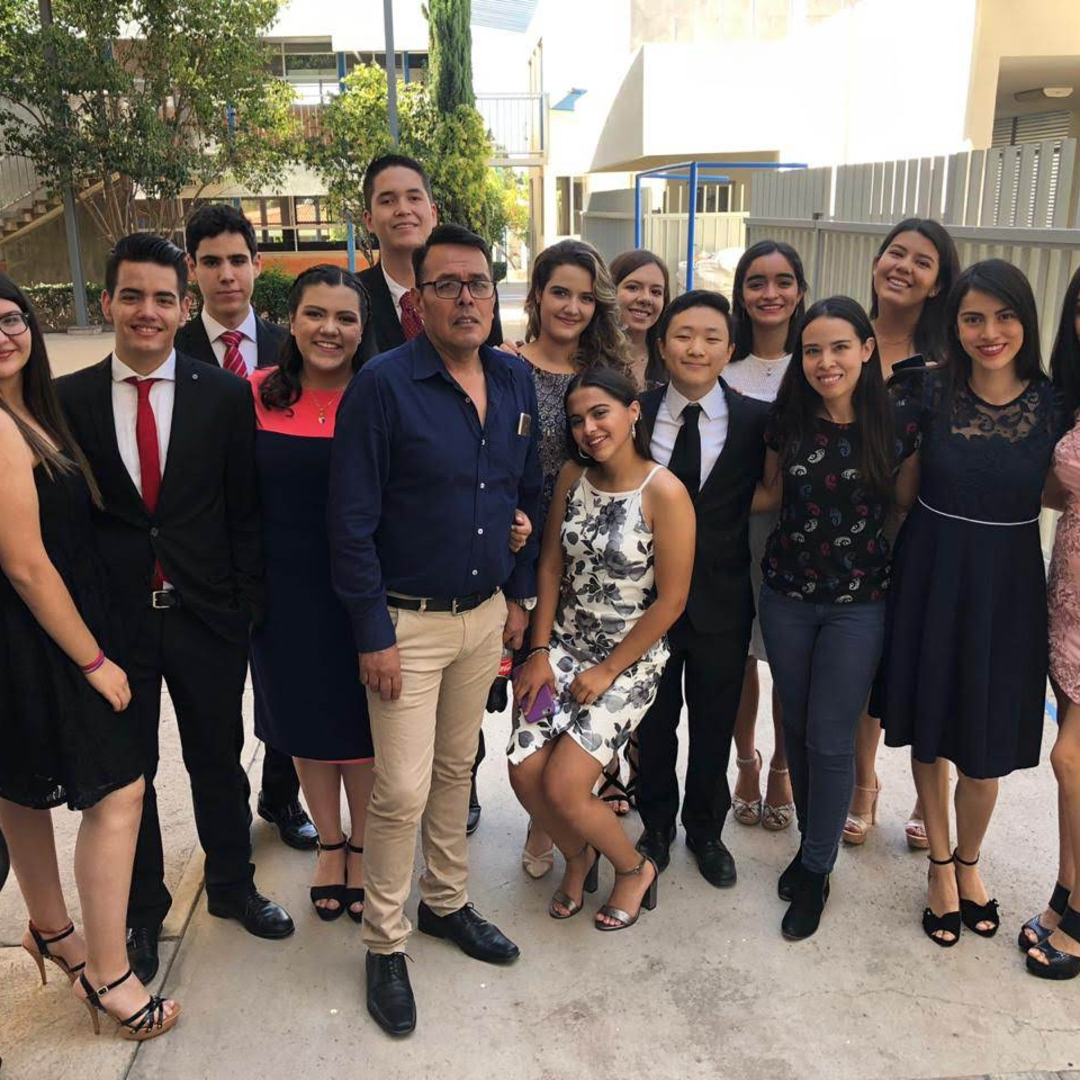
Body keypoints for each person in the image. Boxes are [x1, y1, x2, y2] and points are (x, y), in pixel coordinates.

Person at [57, 234, 293, 988]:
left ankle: (231, 884)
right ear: (107, 302)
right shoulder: (69, 401)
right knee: (132, 776)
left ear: (184, 307)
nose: (147, 312)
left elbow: (243, 510)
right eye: (132, 296)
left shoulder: (223, 395)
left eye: (163, 299)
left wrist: (246, 605)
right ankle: (142, 910)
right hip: (116, 624)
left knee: (216, 759)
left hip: (207, 616)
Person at [329, 224, 541, 1037]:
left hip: (483, 616)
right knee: (402, 790)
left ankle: (446, 903)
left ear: (494, 293)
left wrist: (519, 594)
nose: (465, 298)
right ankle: (385, 943)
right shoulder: (383, 386)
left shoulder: (513, 379)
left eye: (478, 283)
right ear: (417, 300)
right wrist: (372, 634)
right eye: (446, 284)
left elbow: (525, 490)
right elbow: (350, 523)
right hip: (406, 626)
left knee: (458, 771)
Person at [0, 273, 179, 1039]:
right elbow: (25, 564)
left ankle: (51, 929)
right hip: (38, 636)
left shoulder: (30, 411)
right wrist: (94, 662)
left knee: (19, 792)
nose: (3, 334)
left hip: (32, 636)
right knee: (121, 790)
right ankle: (109, 973)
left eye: (12, 318)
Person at [879, 260, 1068, 948]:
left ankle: (969, 861)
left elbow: (1057, 490)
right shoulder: (926, 389)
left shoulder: (1055, 404)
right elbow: (899, 486)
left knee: (986, 747)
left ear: (1027, 320)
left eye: (1005, 316)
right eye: (973, 318)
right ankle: (938, 864)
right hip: (932, 569)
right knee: (932, 727)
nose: (990, 332)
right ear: (954, 324)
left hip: (1009, 579)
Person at [754, 296, 921, 941]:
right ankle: (811, 848)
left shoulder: (898, 425)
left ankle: (817, 871)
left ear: (867, 350)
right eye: (813, 350)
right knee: (797, 727)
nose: (826, 362)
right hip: (787, 596)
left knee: (831, 737)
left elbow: (904, 505)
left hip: (860, 603)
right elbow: (769, 494)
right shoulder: (787, 420)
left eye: (840, 347)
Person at [510, 365, 694, 929]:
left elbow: (672, 601)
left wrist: (609, 670)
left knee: (565, 786)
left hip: (628, 661)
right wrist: (538, 653)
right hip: (562, 649)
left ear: (633, 411)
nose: (588, 429)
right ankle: (577, 856)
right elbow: (549, 564)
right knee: (524, 771)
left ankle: (634, 868)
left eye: (600, 413)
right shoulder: (572, 476)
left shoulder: (664, 491)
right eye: (577, 420)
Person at [356, 152, 504, 833]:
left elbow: (497, 451)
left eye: (414, 196)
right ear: (369, 217)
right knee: (399, 781)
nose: (403, 209)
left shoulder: (494, 354)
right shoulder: (355, 306)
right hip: (392, 560)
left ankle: (451, 854)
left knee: (454, 761)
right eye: (387, 199)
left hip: (469, 580)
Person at [178, 203, 316, 852]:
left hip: (283, 550)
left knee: (286, 687)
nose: (227, 274)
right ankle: (228, 824)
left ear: (258, 265)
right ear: (192, 269)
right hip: (203, 559)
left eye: (238, 260)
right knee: (215, 709)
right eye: (212, 262)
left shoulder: (293, 347)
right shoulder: (170, 348)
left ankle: (281, 796)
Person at [247, 265, 374, 923]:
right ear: (291, 323)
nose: (330, 329)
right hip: (282, 594)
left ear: (362, 329)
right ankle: (330, 842)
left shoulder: (380, 397)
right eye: (315, 314)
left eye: (345, 317)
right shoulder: (253, 394)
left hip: (364, 591)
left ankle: (363, 844)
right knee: (305, 725)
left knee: (363, 728)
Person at [633, 290, 768, 887]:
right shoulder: (635, 414)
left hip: (722, 601)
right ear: (662, 346)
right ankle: (656, 825)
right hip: (644, 603)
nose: (697, 348)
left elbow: (766, 491)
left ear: (730, 349)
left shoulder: (755, 420)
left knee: (714, 723)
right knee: (654, 723)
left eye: (712, 337)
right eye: (684, 335)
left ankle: (706, 830)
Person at [508, 239, 634, 876]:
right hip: (523, 554)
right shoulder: (505, 366)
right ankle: (543, 816)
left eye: (586, 297)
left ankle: (567, 810)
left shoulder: (605, 373)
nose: (573, 307)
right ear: (536, 295)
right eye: (560, 292)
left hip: (593, 565)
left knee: (584, 702)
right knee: (532, 691)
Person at [847, 218, 962, 850]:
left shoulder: (950, 359)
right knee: (864, 664)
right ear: (876, 263)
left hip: (924, 531)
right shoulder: (845, 338)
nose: (904, 267)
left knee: (923, 659)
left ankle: (928, 795)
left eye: (922, 261)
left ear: (938, 283)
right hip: (848, 531)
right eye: (896, 253)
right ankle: (864, 784)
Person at [726, 240, 806, 834]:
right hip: (734, 528)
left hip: (805, 531)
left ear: (800, 291)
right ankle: (746, 762)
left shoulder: (817, 358)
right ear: (741, 293)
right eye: (757, 281)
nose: (770, 293)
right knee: (737, 652)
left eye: (783, 281)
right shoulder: (722, 362)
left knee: (786, 655)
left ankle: (782, 764)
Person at [1025, 264, 1080, 978]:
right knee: (1073, 766)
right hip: (1067, 593)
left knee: (1071, 758)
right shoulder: (1068, 398)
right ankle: (1066, 890)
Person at [610, 249, 670, 389]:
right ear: (610, 291)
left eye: (656, 292)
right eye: (633, 288)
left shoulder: (671, 359)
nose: (646, 299)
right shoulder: (588, 357)